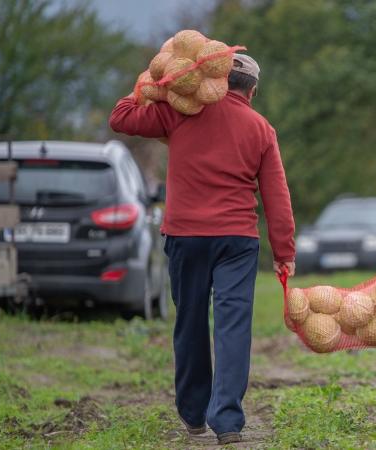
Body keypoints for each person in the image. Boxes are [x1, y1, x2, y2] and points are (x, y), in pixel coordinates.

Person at [109, 54, 295, 445]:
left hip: (185, 237)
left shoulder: (179, 114)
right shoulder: (262, 128)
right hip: (237, 241)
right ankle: (226, 421)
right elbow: (277, 197)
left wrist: (149, 84)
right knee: (233, 325)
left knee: (190, 320)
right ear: (253, 91)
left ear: (217, 81)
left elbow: (121, 117)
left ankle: (193, 414)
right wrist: (284, 251)